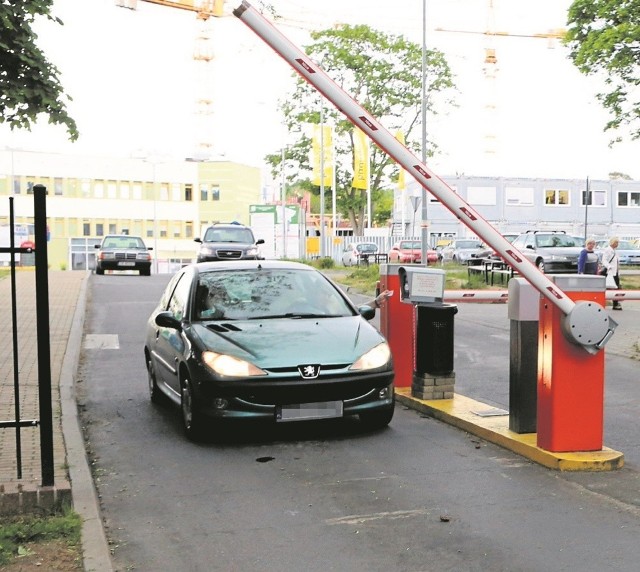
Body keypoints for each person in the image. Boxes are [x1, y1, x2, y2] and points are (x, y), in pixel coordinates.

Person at [602, 237, 622, 310]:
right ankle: (613, 303)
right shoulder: (608, 250)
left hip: (615, 272)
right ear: (612, 242)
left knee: (616, 288)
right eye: (616, 242)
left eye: (618, 243)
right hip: (610, 272)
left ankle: (615, 303)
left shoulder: (615, 251)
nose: (617, 244)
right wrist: (609, 266)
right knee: (611, 288)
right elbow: (604, 260)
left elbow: (617, 262)